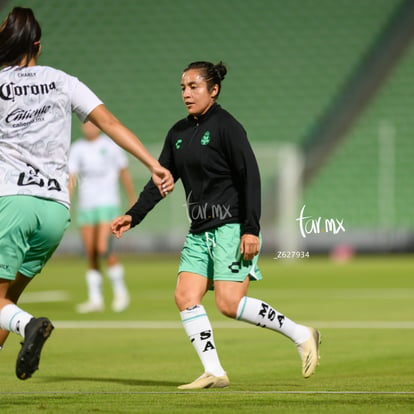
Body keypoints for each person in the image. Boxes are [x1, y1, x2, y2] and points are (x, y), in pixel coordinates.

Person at [112, 61, 321, 389]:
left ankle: (301, 334)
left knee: (228, 304)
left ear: (214, 89)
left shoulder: (227, 127)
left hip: (232, 227)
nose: (186, 93)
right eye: (182, 87)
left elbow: (250, 177)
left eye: (193, 86)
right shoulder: (178, 134)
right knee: (185, 296)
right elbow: (161, 181)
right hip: (199, 232)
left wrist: (251, 228)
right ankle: (214, 371)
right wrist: (133, 214)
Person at [0, 7, 173, 380]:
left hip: (11, 201)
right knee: (5, 300)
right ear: (39, 46)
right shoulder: (63, 81)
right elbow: (109, 123)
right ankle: (22, 325)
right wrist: (152, 163)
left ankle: (29, 326)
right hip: (55, 212)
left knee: (4, 305)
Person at [69, 121, 135, 313]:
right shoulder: (77, 148)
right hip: (86, 205)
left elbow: (123, 172)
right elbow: (72, 177)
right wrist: (68, 200)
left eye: (92, 124)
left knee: (103, 248)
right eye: (86, 125)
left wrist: (132, 198)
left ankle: (121, 292)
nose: (89, 128)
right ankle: (95, 299)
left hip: (108, 203)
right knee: (90, 252)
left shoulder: (110, 145)